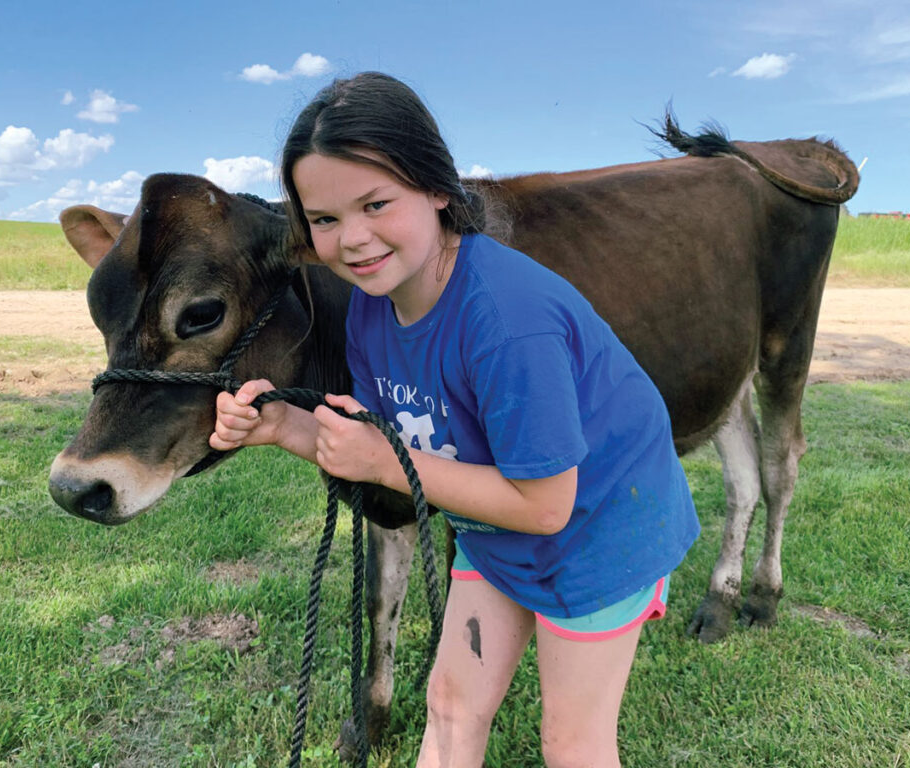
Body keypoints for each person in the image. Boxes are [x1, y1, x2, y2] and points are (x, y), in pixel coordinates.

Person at [210, 71, 700, 768]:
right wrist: (285, 426)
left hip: (600, 530)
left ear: (438, 188)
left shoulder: (506, 321)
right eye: (323, 219)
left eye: (376, 203)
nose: (352, 240)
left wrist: (381, 461)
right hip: (497, 520)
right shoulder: (372, 306)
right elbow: (396, 441)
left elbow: (546, 505)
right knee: (451, 706)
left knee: (573, 745)